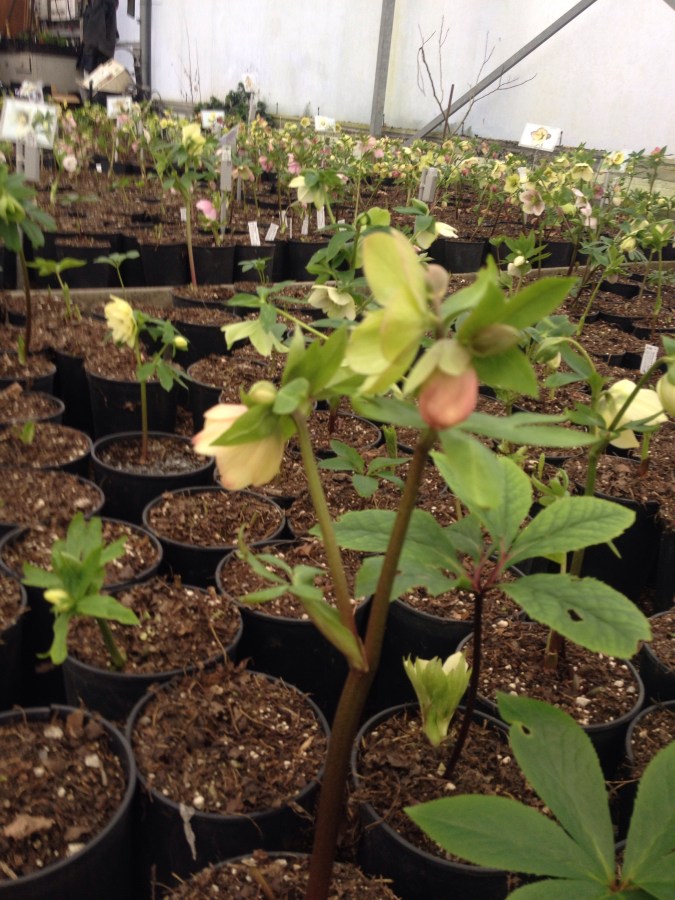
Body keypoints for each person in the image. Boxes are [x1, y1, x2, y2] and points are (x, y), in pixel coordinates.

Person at [79, 0, 119, 74]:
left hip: (98, 52)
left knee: (96, 80)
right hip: (102, 50)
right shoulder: (102, 4)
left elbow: (96, 30)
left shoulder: (101, 4)